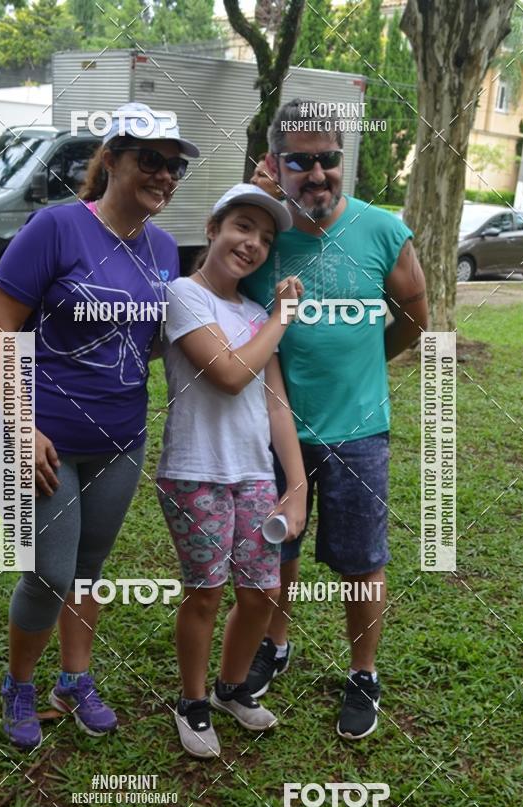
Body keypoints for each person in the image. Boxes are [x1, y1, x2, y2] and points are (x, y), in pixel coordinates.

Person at [0, 103, 199, 750]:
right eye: (151, 160)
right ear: (112, 160)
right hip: (35, 439)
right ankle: (19, 684)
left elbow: (147, 338)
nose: (165, 174)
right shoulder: (56, 228)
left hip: (119, 441)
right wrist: (21, 425)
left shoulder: (162, 248)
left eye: (175, 165)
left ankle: (74, 680)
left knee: (89, 568)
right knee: (47, 572)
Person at [241, 98, 429, 741]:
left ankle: (363, 672)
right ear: (276, 164)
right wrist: (253, 194)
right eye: (301, 162)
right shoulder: (261, 236)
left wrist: (363, 365)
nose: (317, 174)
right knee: (275, 547)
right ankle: (276, 642)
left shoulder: (383, 231)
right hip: (277, 429)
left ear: (342, 161)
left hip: (360, 430)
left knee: (362, 560)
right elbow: (214, 296)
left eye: (329, 159)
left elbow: (413, 312)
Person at [156, 184, 307, 758]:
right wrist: (282, 318)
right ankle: (192, 702)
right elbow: (227, 373)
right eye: (243, 227)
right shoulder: (183, 295)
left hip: (254, 474)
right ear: (215, 228)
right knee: (205, 594)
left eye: (266, 239)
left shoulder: (253, 313)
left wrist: (294, 488)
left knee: (262, 592)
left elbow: (276, 404)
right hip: (196, 473)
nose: (254, 244)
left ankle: (230, 688)